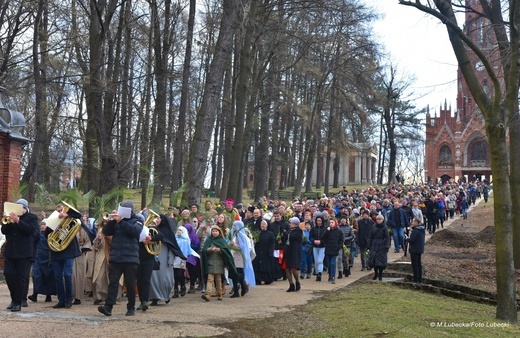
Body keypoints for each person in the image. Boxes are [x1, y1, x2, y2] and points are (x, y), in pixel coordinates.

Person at [44, 203, 94, 309]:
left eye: (63, 210)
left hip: (69, 251)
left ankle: (68, 300)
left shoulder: (72, 218)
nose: (61, 212)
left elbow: (78, 216)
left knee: (67, 274)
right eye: (59, 210)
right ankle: (61, 300)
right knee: (58, 277)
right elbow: (46, 234)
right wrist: (55, 223)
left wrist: (67, 216)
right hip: (56, 251)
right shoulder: (53, 219)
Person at [98, 200, 142, 317]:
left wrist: (121, 221)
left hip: (130, 258)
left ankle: (131, 308)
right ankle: (108, 307)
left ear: (130, 211)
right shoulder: (116, 221)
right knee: (113, 283)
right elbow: (106, 231)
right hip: (116, 258)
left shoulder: (138, 221)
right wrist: (112, 220)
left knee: (130, 284)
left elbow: (134, 232)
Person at [2, 199, 39, 312]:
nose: (19, 209)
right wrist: (8, 220)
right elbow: (4, 231)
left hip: (24, 253)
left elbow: (30, 230)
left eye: (21, 207)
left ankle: (18, 302)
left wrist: (18, 221)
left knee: (21, 277)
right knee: (8, 274)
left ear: (25, 208)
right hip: (11, 252)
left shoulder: (32, 218)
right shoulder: (10, 218)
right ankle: (14, 298)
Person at [149, 214, 187, 305]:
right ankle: (155, 298)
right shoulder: (154, 230)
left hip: (165, 258)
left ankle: (165, 295)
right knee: (153, 278)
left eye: (159, 218)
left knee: (164, 278)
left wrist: (170, 259)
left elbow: (171, 246)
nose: (157, 220)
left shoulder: (168, 232)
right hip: (155, 255)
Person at [201, 226, 239, 301]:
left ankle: (219, 293)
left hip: (219, 263)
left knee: (218, 279)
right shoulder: (208, 240)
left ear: (219, 232)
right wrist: (211, 249)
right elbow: (204, 250)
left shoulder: (222, 240)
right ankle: (207, 294)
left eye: (216, 231)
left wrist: (220, 250)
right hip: (210, 262)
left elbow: (226, 252)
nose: (214, 233)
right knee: (210, 279)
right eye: (213, 231)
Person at [28, 219, 56, 303]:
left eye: (45, 224)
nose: (43, 226)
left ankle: (48, 295)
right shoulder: (38, 234)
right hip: (38, 256)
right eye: (42, 224)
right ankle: (35, 294)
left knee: (49, 276)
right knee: (36, 275)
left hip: (49, 257)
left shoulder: (51, 235)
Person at [229, 220, 256, 297]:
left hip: (239, 258)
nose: (233, 227)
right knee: (235, 275)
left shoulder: (241, 236)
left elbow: (242, 247)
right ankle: (240, 289)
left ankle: (241, 288)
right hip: (234, 257)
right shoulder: (235, 235)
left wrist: (233, 245)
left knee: (238, 274)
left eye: (234, 226)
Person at [173, 225, 200, 298]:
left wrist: (182, 261)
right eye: (178, 230)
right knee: (175, 275)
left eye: (180, 230)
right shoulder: (175, 240)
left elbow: (185, 252)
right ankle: (175, 290)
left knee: (180, 274)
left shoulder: (185, 241)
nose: (178, 231)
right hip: (174, 258)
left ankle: (182, 287)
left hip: (181, 258)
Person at [135, 213, 154, 311]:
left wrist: (151, 239)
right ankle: (142, 301)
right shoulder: (134, 230)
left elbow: (161, 237)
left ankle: (145, 301)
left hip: (149, 258)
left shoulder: (150, 230)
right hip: (137, 258)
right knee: (139, 281)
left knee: (146, 280)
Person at [320, 218, 344, 284]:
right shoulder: (327, 231)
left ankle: (333, 277)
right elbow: (322, 237)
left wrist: (338, 247)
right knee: (329, 264)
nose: (331, 224)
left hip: (335, 249)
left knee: (333, 263)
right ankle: (330, 275)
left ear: (335, 223)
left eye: (332, 222)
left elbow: (341, 240)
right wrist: (326, 231)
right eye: (330, 222)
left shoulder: (339, 231)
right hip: (328, 249)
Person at [367, 214, 391, 281]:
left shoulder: (385, 227)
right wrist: (369, 245)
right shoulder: (373, 227)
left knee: (381, 262)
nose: (379, 221)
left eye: (380, 219)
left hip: (382, 245)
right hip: (374, 244)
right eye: (377, 219)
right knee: (374, 261)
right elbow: (370, 236)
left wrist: (387, 245)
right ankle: (375, 273)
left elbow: (387, 237)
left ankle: (380, 275)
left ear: (382, 220)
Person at [283, 217, 303, 291]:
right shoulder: (289, 230)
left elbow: (292, 237)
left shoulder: (299, 230)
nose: (289, 224)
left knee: (293, 268)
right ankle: (291, 284)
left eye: (290, 222)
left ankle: (297, 281)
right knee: (287, 268)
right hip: (288, 250)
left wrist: (286, 233)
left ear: (294, 223)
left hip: (294, 251)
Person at [252, 220, 275, 285]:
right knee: (257, 265)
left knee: (266, 265)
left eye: (264, 224)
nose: (262, 225)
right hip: (258, 251)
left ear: (267, 225)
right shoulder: (257, 233)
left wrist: (270, 251)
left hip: (266, 251)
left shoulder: (270, 234)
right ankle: (258, 279)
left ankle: (267, 279)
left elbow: (272, 243)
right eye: (261, 224)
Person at [406, 217, 426, 283]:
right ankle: (419, 279)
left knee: (415, 265)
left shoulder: (416, 230)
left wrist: (406, 239)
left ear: (416, 223)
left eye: (413, 222)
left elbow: (412, 240)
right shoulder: (421, 230)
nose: (412, 223)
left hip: (414, 249)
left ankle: (416, 280)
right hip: (419, 249)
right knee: (418, 264)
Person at [309, 215, 327, 281]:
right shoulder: (313, 229)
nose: (318, 222)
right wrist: (314, 241)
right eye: (317, 221)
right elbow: (310, 237)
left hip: (322, 247)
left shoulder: (325, 229)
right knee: (316, 261)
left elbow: (327, 238)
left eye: (320, 221)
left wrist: (321, 241)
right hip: (315, 246)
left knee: (320, 260)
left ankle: (320, 272)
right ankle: (317, 273)